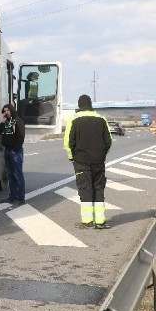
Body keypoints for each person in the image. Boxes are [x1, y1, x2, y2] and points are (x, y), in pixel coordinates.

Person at [64, 94, 112, 229]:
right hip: (98, 161)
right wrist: (101, 154)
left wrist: (71, 157)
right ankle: (100, 221)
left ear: (79, 105)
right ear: (91, 105)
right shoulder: (101, 119)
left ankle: (87, 220)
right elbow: (109, 141)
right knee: (98, 188)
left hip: (81, 161)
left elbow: (68, 142)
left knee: (85, 188)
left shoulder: (74, 119)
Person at [0, 103, 26, 206]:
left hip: (15, 151)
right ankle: (12, 197)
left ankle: (20, 198)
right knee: (10, 175)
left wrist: (15, 148)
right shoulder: (6, 122)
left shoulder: (17, 120)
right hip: (7, 150)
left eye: (8, 110)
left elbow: (21, 136)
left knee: (18, 175)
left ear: (12, 110)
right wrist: (2, 122)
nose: (6, 112)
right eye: (4, 111)